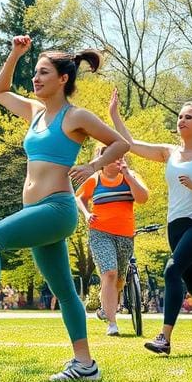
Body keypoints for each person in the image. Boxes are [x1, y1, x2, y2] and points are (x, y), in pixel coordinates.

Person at [0, 36, 129, 381]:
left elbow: (121, 142)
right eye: (35, 73)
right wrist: (14, 54)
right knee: (65, 292)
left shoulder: (76, 116)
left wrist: (94, 166)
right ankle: (85, 365)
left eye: (43, 73)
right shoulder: (34, 111)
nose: (36, 79)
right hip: (38, 212)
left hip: (57, 209)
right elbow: (0, 92)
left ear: (63, 79)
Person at [110, 89, 192, 356]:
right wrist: (114, 115)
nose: (181, 121)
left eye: (188, 117)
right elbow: (130, 144)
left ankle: (164, 339)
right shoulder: (170, 153)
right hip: (175, 226)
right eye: (180, 116)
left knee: (171, 271)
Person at [76, 141, 149, 336]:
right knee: (109, 272)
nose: (118, 160)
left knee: (118, 280)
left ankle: (104, 307)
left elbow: (142, 198)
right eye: (113, 156)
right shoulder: (94, 179)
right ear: (102, 160)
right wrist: (85, 214)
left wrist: (127, 176)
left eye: (120, 156)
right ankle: (112, 323)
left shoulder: (131, 176)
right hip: (100, 232)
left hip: (125, 234)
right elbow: (80, 198)